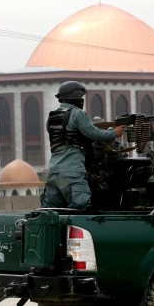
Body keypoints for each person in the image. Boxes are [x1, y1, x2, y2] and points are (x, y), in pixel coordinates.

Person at [40, 81, 125, 211]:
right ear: (76, 98)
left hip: (53, 172)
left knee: (52, 212)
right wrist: (113, 133)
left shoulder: (52, 116)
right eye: (81, 97)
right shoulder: (77, 113)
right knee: (81, 207)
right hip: (72, 171)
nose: (82, 100)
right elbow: (92, 133)